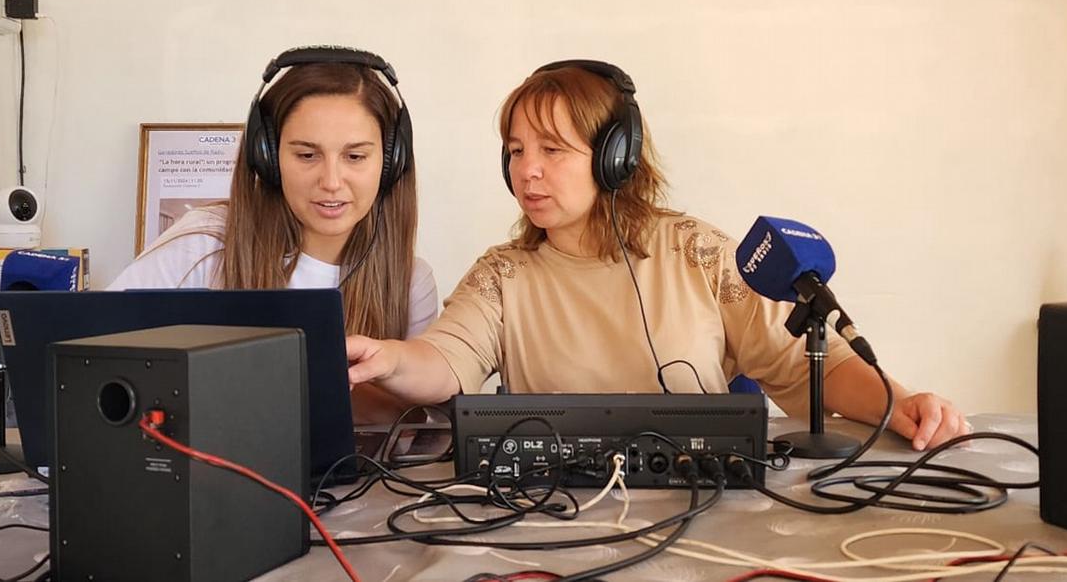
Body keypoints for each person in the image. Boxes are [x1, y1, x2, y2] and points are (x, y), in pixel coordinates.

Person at [347, 60, 968, 451]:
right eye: (514, 151)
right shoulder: (503, 272)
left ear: (616, 157)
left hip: (703, 508)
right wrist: (389, 357)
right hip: (555, 519)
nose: (527, 171)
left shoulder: (695, 252)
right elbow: (445, 363)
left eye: (552, 150)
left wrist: (901, 402)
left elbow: (810, 365)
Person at [109, 46, 439, 424]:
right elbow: (90, 362)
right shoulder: (203, 244)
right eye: (306, 155)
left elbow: (411, 424)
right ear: (267, 157)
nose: (331, 182)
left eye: (355, 157)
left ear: (391, 162)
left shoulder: (412, 281)